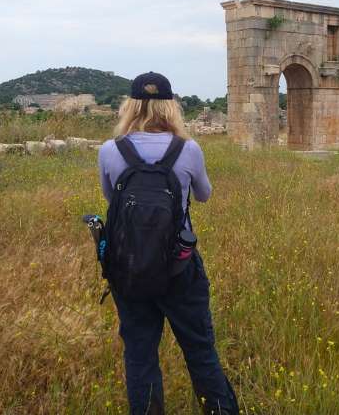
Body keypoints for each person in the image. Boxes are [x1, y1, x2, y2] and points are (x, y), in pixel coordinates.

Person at [97, 71, 238, 415]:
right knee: (200, 351)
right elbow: (204, 195)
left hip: (128, 268)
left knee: (140, 356)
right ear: (170, 107)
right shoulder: (188, 149)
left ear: (130, 106)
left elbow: (109, 198)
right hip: (180, 265)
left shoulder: (110, 151)